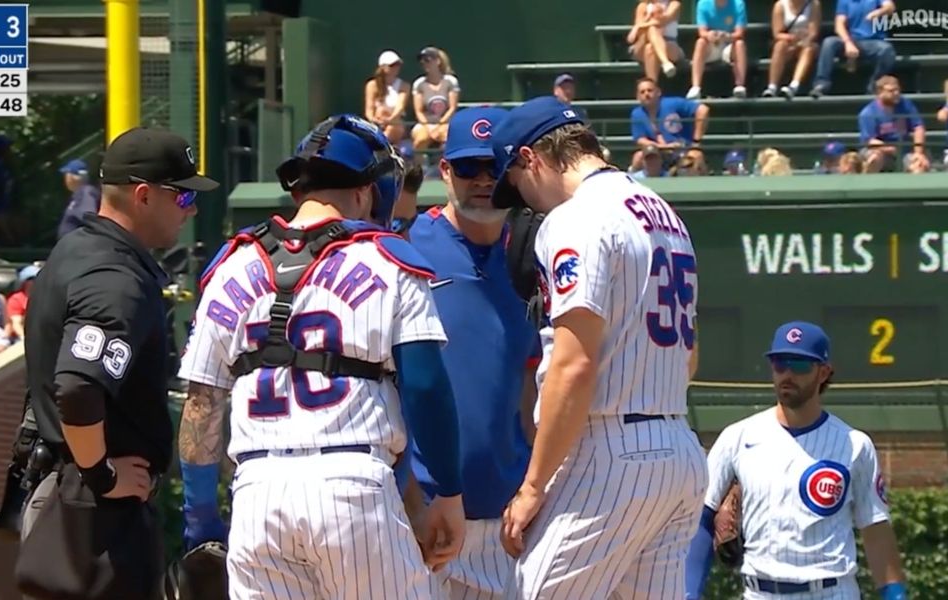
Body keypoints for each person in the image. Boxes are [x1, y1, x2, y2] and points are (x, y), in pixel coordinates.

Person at [176, 114, 466, 599]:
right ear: (370, 190)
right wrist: (447, 493)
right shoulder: (389, 257)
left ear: (298, 190)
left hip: (258, 491)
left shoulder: (230, 266)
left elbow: (202, 405)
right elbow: (425, 387)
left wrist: (201, 522)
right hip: (352, 486)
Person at [488, 95, 706, 599]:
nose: (525, 202)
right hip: (678, 445)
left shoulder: (576, 217)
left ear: (530, 158)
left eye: (518, 185)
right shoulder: (664, 213)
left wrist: (533, 486)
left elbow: (574, 364)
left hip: (612, 450)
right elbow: (692, 356)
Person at [17, 127, 216, 599]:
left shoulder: (75, 249)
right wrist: (103, 475)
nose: (191, 211)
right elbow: (78, 386)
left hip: (67, 494)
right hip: (93, 513)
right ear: (144, 195)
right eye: (183, 197)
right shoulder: (116, 276)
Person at [405, 107, 539, 599]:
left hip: (508, 520)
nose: (483, 180)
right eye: (467, 168)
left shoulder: (533, 256)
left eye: (493, 167)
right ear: (445, 172)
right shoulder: (406, 249)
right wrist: (409, 498)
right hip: (425, 514)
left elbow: (531, 385)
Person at [685, 321, 908, 600]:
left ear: (824, 372)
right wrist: (689, 592)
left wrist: (895, 595)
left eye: (800, 365)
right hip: (759, 592)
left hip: (831, 591)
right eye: (780, 364)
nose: (787, 374)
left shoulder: (854, 445)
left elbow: (875, 530)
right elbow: (701, 519)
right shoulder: (738, 437)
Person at [811, 0, 897, 98]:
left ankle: (874, 87)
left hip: (873, 42)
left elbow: (890, 7)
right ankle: (821, 84)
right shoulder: (844, 1)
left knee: (886, 50)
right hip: (851, 40)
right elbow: (839, 25)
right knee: (829, 42)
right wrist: (848, 42)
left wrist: (878, 12)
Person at [630, 77, 710, 173]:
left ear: (658, 92)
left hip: (683, 150)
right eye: (642, 92)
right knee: (638, 157)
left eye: (650, 90)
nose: (646, 94)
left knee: (696, 156)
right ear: (638, 97)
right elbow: (640, 140)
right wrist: (664, 147)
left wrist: (696, 140)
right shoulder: (637, 114)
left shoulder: (673, 103)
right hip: (657, 152)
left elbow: (703, 110)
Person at [858, 75, 928, 173]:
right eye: (891, 91)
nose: (896, 93)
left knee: (919, 165)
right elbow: (869, 140)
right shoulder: (868, 112)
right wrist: (888, 148)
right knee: (874, 158)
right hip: (880, 150)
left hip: (903, 151)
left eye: (898, 90)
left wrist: (918, 153)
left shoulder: (905, 105)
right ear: (880, 92)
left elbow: (918, 128)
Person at [688, 0, 749, 100]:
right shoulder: (703, 4)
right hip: (711, 46)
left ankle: (740, 86)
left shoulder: (739, 4)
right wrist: (710, 35)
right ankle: (695, 87)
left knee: (740, 43)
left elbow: (739, 33)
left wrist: (727, 36)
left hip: (729, 45)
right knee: (700, 42)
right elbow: (702, 32)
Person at [764, 0, 821, 100]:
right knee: (779, 46)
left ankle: (794, 86)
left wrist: (804, 41)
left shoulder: (813, 4)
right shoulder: (780, 5)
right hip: (788, 43)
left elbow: (813, 32)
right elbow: (777, 34)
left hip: (805, 42)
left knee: (808, 48)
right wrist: (792, 39)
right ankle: (772, 87)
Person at [411, 46, 461, 150]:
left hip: (446, 123)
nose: (424, 63)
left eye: (427, 60)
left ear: (437, 61)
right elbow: (419, 111)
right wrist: (427, 127)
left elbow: (452, 108)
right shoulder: (419, 83)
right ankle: (420, 166)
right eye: (422, 61)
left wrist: (440, 125)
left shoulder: (450, 81)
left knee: (448, 139)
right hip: (425, 124)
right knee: (420, 140)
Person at [627, 0, 683, 81]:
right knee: (652, 30)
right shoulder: (642, 6)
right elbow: (637, 34)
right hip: (642, 43)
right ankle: (665, 62)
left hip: (669, 44)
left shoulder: (674, 4)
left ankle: (652, 85)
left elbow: (663, 21)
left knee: (650, 48)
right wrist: (648, 18)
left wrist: (639, 26)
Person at [365, 50, 411, 145]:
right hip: (376, 123)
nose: (396, 68)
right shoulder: (372, 85)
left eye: (398, 65)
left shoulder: (404, 86)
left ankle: (380, 145)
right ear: (383, 67)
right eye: (392, 65)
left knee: (392, 127)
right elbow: (369, 110)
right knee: (380, 111)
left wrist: (389, 120)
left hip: (396, 124)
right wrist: (375, 120)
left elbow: (399, 108)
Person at [57, 158, 101, 240]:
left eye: (66, 175)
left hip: (78, 247)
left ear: (71, 177)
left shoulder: (86, 193)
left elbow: (89, 217)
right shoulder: (78, 194)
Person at [6, 265, 39, 342]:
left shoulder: (47, 297)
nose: (36, 282)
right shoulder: (16, 299)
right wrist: (24, 338)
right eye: (32, 279)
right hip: (21, 339)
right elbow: (16, 323)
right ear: (24, 282)